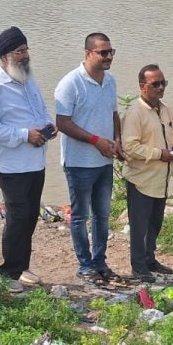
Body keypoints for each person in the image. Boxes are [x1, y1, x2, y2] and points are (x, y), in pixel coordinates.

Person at [0, 26, 55, 293]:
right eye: (19, 52)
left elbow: (41, 111)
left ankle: (21, 266)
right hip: (10, 163)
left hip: (36, 160)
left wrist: (48, 126)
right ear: (4, 57)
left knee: (31, 214)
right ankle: (7, 272)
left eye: (26, 50)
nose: (25, 56)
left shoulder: (29, 81)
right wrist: (25, 135)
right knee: (18, 215)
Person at [55, 32, 123, 284]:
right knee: (81, 215)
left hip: (105, 161)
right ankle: (85, 266)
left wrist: (117, 141)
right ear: (88, 53)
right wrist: (96, 141)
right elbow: (62, 123)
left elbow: (114, 114)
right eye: (103, 53)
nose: (108, 57)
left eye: (111, 52)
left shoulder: (110, 81)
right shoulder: (70, 83)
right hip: (79, 162)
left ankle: (100, 261)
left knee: (103, 215)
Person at [121, 64, 173, 282]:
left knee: (155, 223)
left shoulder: (165, 109)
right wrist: (160, 153)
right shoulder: (135, 113)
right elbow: (130, 147)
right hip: (141, 179)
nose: (160, 88)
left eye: (163, 83)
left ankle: (150, 259)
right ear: (142, 86)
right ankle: (138, 267)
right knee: (140, 227)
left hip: (161, 179)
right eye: (155, 84)